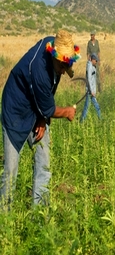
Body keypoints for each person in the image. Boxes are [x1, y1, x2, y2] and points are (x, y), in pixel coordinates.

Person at [0, 29, 79, 210]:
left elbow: (47, 97)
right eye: (61, 65)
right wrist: (66, 112)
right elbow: (49, 107)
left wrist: (42, 119)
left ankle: (40, 215)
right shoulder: (40, 70)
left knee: (43, 163)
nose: (62, 69)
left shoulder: (54, 48)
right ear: (53, 56)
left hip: (36, 109)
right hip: (16, 111)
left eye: (66, 64)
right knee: (11, 169)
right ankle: (5, 219)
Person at [80, 53, 102, 122]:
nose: (96, 62)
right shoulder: (89, 66)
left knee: (96, 106)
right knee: (87, 107)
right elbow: (89, 79)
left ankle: (100, 119)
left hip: (92, 92)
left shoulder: (92, 66)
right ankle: (81, 121)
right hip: (89, 92)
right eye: (96, 61)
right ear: (92, 60)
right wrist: (91, 91)